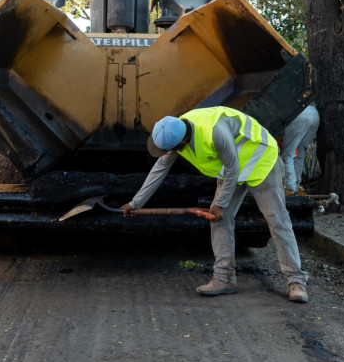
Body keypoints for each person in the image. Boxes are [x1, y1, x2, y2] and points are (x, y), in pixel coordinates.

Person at [122, 106, 309, 302]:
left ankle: (296, 282)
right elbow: (159, 169)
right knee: (218, 220)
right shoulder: (175, 130)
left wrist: (220, 204)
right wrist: (135, 203)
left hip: (259, 160)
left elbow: (232, 167)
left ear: (181, 142)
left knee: (277, 220)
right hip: (231, 170)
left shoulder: (214, 131)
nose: (167, 153)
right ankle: (224, 278)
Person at [281, 105, 320, 194]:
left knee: (287, 156)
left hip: (298, 114)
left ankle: (290, 189)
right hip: (314, 113)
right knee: (299, 155)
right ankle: (297, 187)